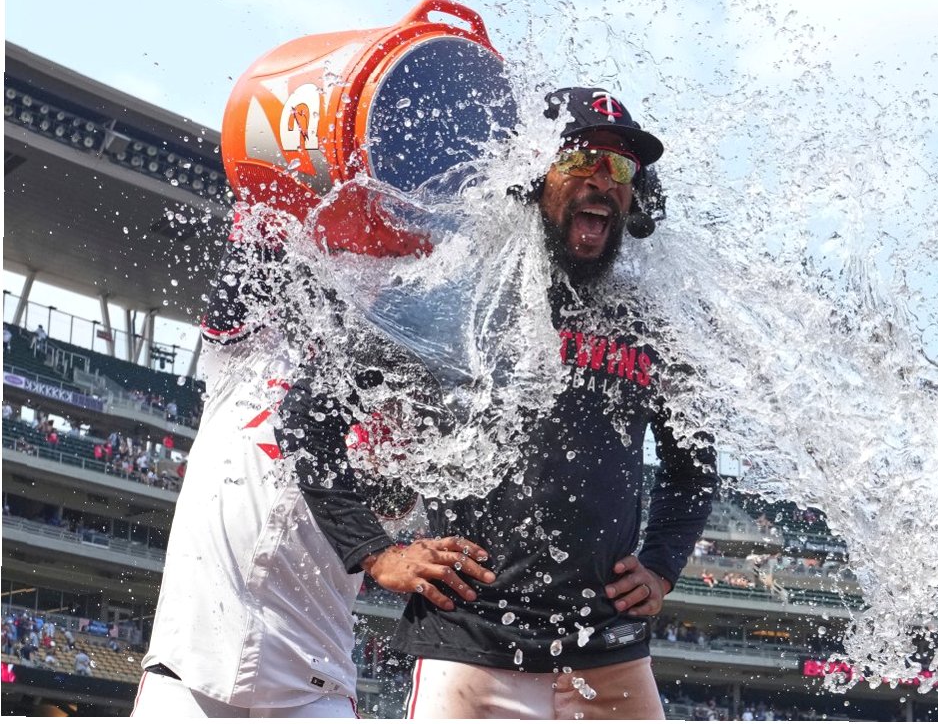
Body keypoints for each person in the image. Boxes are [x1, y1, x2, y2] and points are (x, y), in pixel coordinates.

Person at [288, 87, 718, 719]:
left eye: (620, 167)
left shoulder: (646, 322)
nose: (603, 180)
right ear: (533, 176)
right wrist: (375, 553)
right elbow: (308, 418)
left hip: (612, 659)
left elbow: (694, 464)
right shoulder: (453, 294)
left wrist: (662, 564)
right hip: (473, 654)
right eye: (581, 159)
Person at [132, 193, 416, 719]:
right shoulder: (243, 354)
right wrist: (300, 184)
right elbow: (255, 235)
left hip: (313, 684)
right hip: (187, 673)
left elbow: (396, 505)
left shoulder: (387, 393)